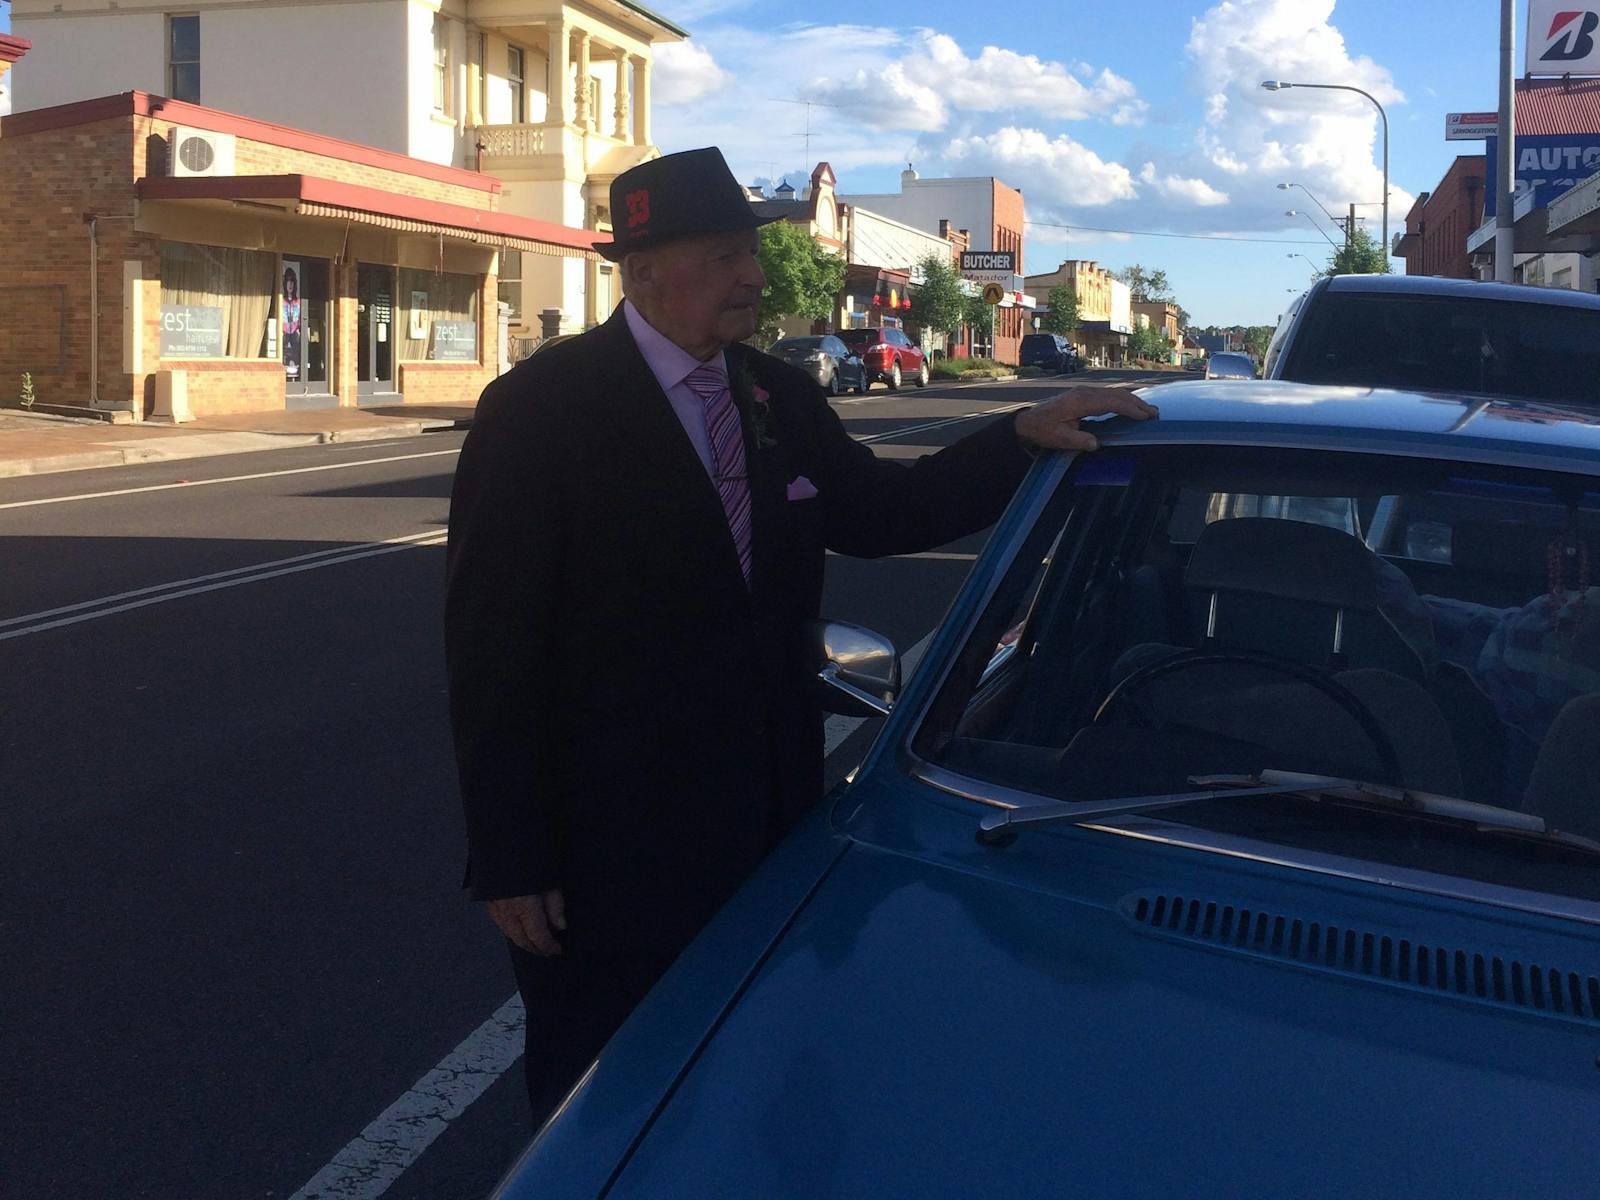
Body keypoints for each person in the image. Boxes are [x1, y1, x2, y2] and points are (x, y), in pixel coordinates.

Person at [444, 146, 1158, 1123]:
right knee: (600, 1088)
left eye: (752, 252)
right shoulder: (541, 412)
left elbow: (880, 513)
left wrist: (1017, 435)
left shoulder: (775, 397)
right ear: (643, 268)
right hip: (609, 839)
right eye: (727, 254)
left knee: (748, 1064)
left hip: (765, 815)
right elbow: (492, 647)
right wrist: (511, 856)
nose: (754, 275)